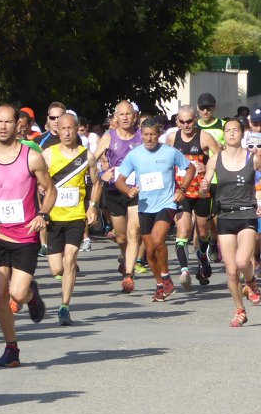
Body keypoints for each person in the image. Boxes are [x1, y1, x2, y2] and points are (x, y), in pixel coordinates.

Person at [0, 103, 56, 368]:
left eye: (8, 122)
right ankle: (11, 348)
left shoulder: (31, 157)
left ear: (17, 125)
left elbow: (50, 190)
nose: (3, 127)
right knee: (0, 291)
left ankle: (31, 296)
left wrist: (44, 215)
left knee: (17, 293)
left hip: (25, 234)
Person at [114, 117, 196, 302]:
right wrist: (129, 190)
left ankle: (166, 275)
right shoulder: (134, 155)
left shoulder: (169, 152)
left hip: (166, 203)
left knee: (158, 239)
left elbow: (190, 168)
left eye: (152, 134)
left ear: (159, 134)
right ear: (141, 135)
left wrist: (182, 189)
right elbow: (119, 181)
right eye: (145, 135)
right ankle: (160, 284)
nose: (149, 138)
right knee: (150, 250)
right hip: (145, 206)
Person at [42, 113, 101, 324]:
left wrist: (92, 207)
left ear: (77, 129)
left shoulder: (87, 157)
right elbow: (37, 180)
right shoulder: (48, 154)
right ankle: (67, 271)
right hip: (54, 218)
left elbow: (96, 183)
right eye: (63, 128)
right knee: (57, 267)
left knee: (71, 258)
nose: (67, 132)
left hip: (76, 216)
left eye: (70, 128)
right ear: (57, 130)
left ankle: (64, 306)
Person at [202, 118, 261, 326]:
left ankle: (252, 283)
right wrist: (203, 185)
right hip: (225, 216)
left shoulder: (253, 158)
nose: (232, 133)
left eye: (236, 130)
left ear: (242, 134)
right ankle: (239, 310)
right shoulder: (215, 159)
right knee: (231, 270)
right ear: (224, 135)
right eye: (228, 130)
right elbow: (206, 180)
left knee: (242, 262)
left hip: (247, 214)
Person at [165, 105, 221, 289]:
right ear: (177, 122)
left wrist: (208, 168)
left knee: (203, 232)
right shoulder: (172, 138)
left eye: (190, 121)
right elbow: (163, 160)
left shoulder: (204, 137)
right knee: (183, 231)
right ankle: (184, 272)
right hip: (182, 192)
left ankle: (202, 256)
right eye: (182, 121)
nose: (187, 125)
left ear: (195, 119)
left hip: (202, 192)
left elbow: (221, 156)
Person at [94, 100, 144, 292]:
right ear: (116, 117)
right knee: (122, 237)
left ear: (135, 117)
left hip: (135, 191)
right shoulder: (109, 137)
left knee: (134, 233)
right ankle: (124, 256)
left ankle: (129, 275)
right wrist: (101, 173)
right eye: (121, 114)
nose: (125, 117)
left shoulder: (141, 137)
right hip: (115, 192)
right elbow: (93, 160)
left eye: (128, 114)